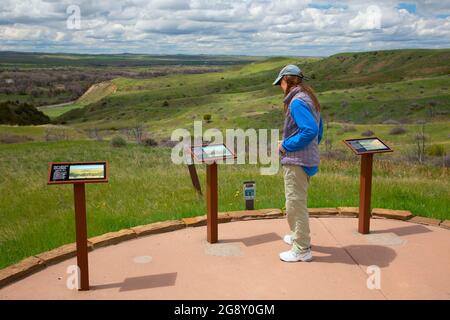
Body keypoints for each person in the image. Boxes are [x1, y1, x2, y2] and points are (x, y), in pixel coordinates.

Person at [273, 64, 323, 262]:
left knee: (295, 204)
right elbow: (319, 131)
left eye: (280, 83)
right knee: (294, 202)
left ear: (286, 80)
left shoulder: (296, 102)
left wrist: (286, 145)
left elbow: (309, 131)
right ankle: (296, 236)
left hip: (296, 161)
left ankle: (302, 249)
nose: (279, 87)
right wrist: (309, 149)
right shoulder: (310, 98)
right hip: (304, 158)